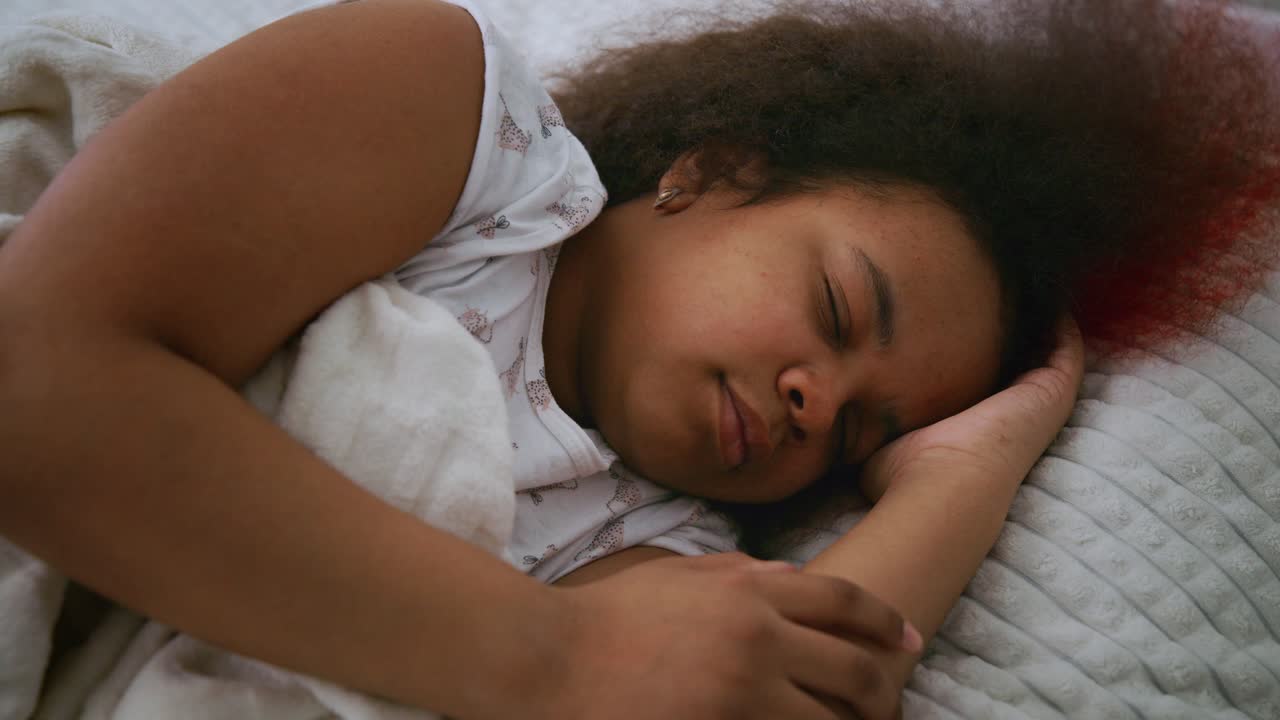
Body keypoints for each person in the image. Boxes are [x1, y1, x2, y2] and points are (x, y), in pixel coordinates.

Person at [0, 0, 1275, 718]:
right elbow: (33, 385)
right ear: (710, 170)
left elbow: (785, 689)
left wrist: (964, 474)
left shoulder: (648, 552)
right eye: (835, 309)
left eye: (857, 434)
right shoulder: (453, 128)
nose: (814, 402)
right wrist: (549, 656)